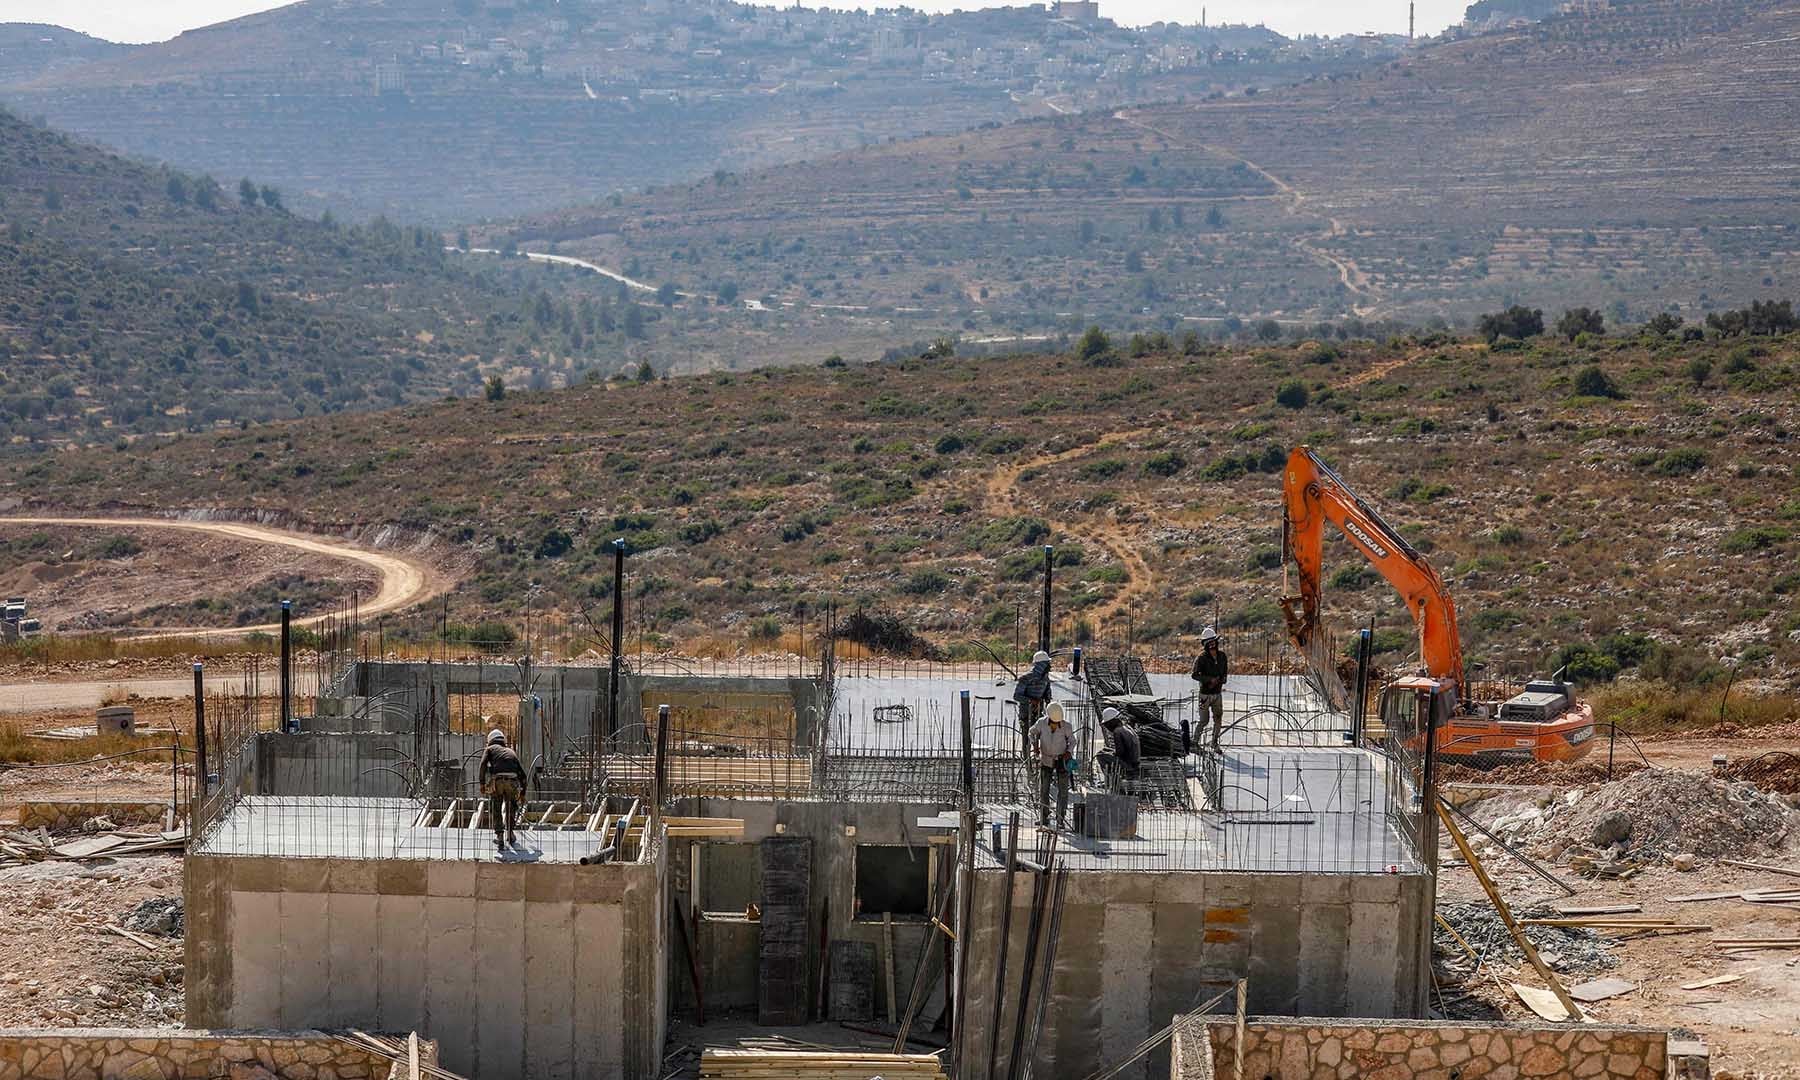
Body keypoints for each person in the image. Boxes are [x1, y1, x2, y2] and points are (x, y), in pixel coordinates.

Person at [478, 728, 527, 849]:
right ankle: (510, 833)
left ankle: (500, 837)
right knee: (511, 807)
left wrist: (482, 783)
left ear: (490, 741)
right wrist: (522, 794)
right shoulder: (511, 752)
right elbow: (523, 776)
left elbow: (483, 764)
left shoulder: (489, 749)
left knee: (496, 808)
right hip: (513, 782)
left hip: (498, 782)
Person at [1028, 701, 1073, 830]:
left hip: (1061, 760)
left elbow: (1072, 741)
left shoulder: (1066, 726)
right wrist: (1034, 744)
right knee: (1044, 789)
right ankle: (1044, 817)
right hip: (1046, 759)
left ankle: (1060, 818)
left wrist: (1068, 752)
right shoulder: (1041, 723)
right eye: (1053, 722)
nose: (1055, 724)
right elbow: (1031, 733)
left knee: (1063, 791)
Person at [1191, 627, 1229, 748]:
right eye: (1209, 643)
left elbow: (1225, 672)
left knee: (1218, 719)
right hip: (1205, 695)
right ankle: (1194, 742)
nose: (1212, 644)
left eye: (1214, 642)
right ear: (1205, 645)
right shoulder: (1201, 658)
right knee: (1204, 720)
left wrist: (1221, 680)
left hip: (1217, 694)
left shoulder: (1222, 656)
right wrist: (1209, 680)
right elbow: (1195, 675)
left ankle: (1214, 742)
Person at [1012, 649, 1053, 749]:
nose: (1049, 666)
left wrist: (1049, 704)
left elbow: (1048, 694)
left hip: (1039, 713)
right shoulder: (1026, 678)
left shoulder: (1045, 678)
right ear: (1040, 664)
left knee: (1041, 737)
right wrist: (1032, 701)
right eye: (1046, 663)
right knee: (1027, 738)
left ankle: (1038, 757)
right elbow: (1016, 696)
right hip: (1026, 714)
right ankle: (1027, 761)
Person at [1100, 706, 1140, 793]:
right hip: (1134, 761)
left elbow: (1120, 752)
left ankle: (1111, 777)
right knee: (1105, 751)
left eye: (1107, 724)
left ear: (1112, 722)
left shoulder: (1117, 732)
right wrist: (1110, 751)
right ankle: (1114, 776)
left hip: (1128, 764)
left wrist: (1111, 753)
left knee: (1100, 756)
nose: (1107, 727)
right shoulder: (1127, 728)